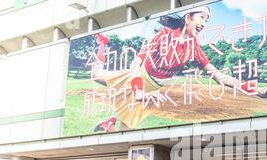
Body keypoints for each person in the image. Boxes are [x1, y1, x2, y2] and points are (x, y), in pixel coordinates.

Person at [92, 6, 256, 133]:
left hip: (151, 90)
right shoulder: (164, 35)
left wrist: (255, 91)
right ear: (187, 18)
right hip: (138, 80)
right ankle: (102, 42)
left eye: (207, 20)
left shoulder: (193, 47)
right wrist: (138, 90)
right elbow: (136, 62)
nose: (204, 24)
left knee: (127, 128)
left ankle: (109, 124)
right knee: (95, 74)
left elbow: (219, 76)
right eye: (202, 17)